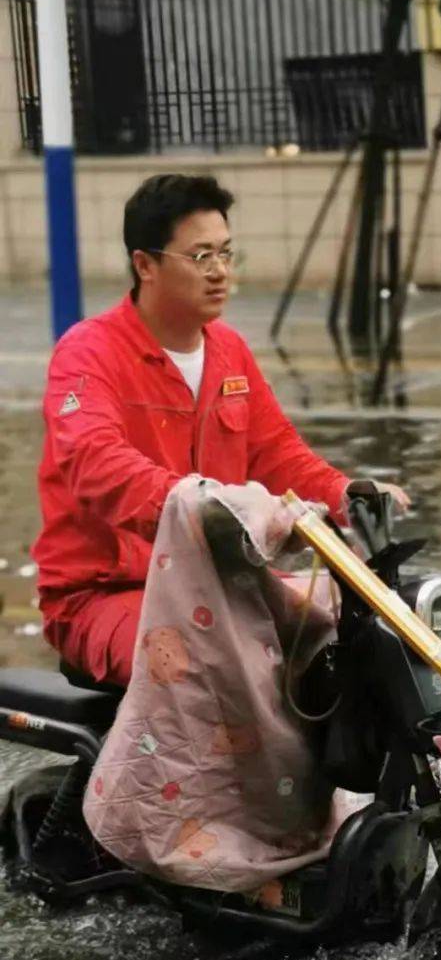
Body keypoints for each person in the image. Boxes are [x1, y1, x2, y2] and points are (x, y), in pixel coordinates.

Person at [32, 173, 408, 687]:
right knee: (211, 659)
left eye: (227, 253)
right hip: (108, 595)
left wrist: (350, 495)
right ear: (145, 264)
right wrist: (205, 506)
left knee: (365, 631)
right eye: (201, 257)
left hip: (220, 586)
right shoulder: (88, 352)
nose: (220, 272)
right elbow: (96, 462)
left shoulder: (229, 351)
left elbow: (279, 456)